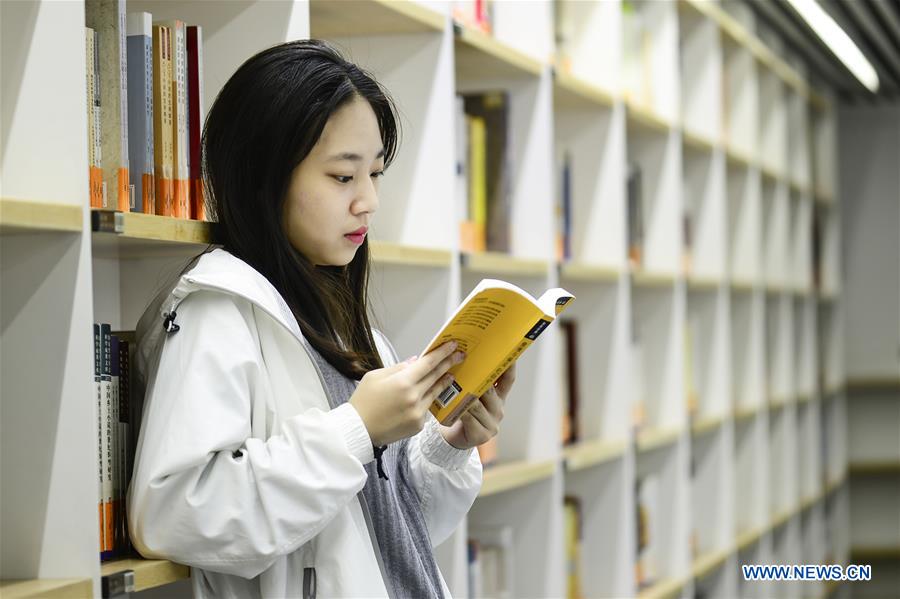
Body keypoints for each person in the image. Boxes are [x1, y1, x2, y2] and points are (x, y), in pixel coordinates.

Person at [127, 40, 515, 598]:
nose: (369, 201)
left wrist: (449, 443)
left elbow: (392, 532)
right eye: (342, 177)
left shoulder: (342, 324)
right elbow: (174, 513)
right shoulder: (218, 311)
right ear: (266, 176)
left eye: (375, 174)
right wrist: (357, 428)